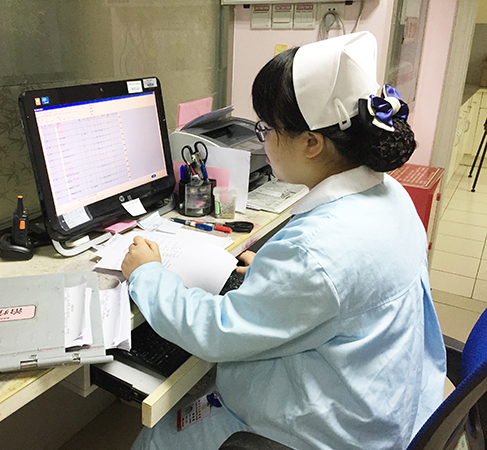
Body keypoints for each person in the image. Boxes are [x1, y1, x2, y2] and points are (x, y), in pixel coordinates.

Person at [121, 32, 446, 450]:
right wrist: (278, 280)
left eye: (267, 128)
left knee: (153, 439)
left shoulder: (315, 252)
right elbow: (350, 285)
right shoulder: (391, 194)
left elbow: (216, 333)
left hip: (321, 435)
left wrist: (147, 275)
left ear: (312, 143)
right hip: (386, 403)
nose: (263, 140)